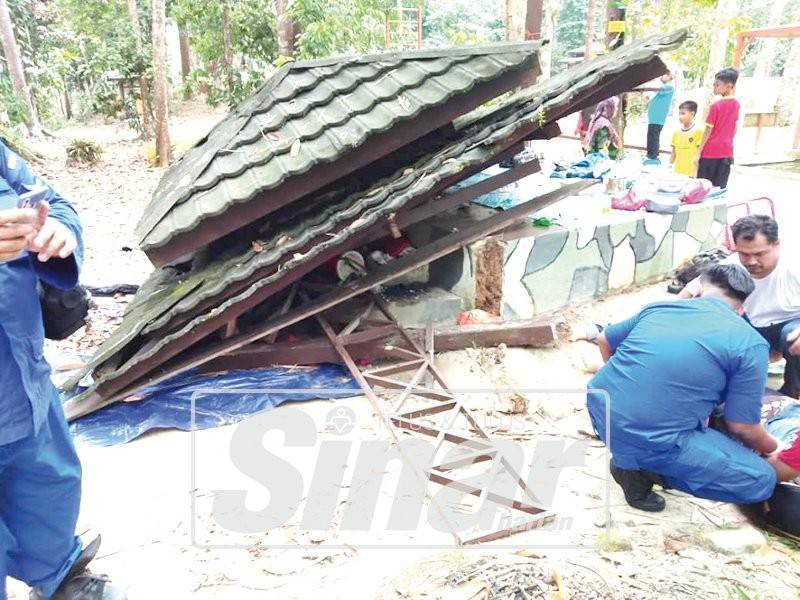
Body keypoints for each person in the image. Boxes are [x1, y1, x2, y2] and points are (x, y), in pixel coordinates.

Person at [0, 139, 125, 599]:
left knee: (48, 491)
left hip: (23, 382)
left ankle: (60, 578)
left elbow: (56, 204)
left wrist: (58, 235)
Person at [587, 263, 777, 512]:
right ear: (741, 309)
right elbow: (742, 425)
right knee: (760, 480)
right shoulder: (750, 344)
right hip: (653, 434)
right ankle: (643, 471)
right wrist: (773, 449)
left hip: (600, 408)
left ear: (699, 290)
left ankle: (633, 458)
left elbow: (604, 339)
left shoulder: (661, 307)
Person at [680, 215, 800, 399]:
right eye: (744, 254)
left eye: (759, 254)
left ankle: (793, 391)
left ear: (776, 244)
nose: (751, 262)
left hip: (790, 326)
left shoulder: (794, 265)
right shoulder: (731, 265)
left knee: (793, 335)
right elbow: (688, 294)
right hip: (750, 327)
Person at [696, 68, 740, 188]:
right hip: (727, 152)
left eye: (717, 85)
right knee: (719, 188)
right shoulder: (736, 104)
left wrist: (698, 151)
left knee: (703, 188)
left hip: (710, 151)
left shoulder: (716, 106)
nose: (714, 87)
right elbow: (734, 127)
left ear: (729, 85)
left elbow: (708, 130)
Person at [644, 71, 675, 163]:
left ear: (670, 77)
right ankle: (651, 155)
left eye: (664, 75)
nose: (661, 76)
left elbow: (656, 88)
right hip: (653, 117)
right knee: (651, 135)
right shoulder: (663, 87)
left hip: (658, 117)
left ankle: (653, 156)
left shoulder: (669, 87)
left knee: (653, 136)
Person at [670, 100, 704, 177]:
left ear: (692, 114)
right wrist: (669, 166)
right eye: (679, 113)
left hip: (691, 174)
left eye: (683, 113)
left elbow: (699, 154)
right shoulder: (676, 132)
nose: (680, 116)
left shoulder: (699, 131)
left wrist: (695, 172)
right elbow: (673, 152)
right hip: (677, 172)